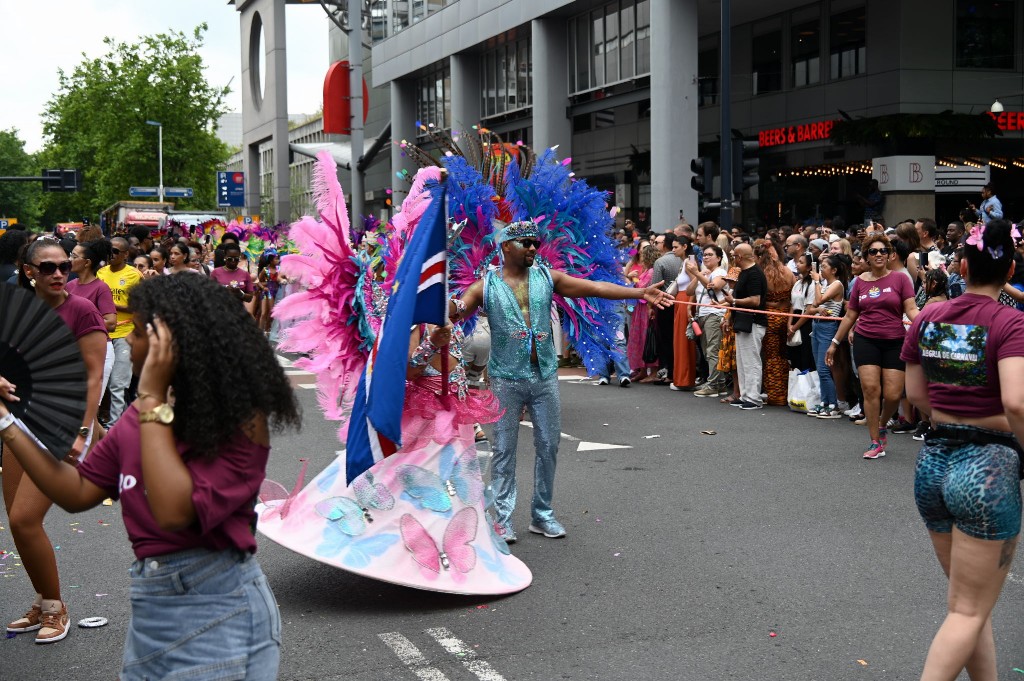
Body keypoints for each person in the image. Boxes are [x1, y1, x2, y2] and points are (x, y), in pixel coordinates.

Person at [0, 273, 297, 675]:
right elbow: (78, 490)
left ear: (172, 344)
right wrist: (7, 423)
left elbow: (173, 511)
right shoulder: (142, 415)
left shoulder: (240, 420)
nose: (129, 343)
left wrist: (153, 399)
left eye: (138, 332)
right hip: (152, 607)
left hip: (220, 611)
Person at [451, 223, 672, 541]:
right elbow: (458, 309)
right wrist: (437, 304)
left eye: (535, 243)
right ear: (505, 247)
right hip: (505, 380)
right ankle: (501, 519)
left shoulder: (547, 277)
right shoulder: (485, 286)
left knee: (548, 446)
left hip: (544, 378)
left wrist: (639, 292)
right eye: (525, 242)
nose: (532, 248)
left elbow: (594, 288)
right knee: (503, 451)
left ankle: (542, 515)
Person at [900, 218, 1022, 680]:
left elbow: (916, 397)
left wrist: (958, 415)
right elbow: (1016, 401)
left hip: (933, 465)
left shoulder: (928, 316)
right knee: (969, 610)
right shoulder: (1011, 322)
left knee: (969, 607)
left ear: (963, 266)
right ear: (1009, 271)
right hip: (987, 473)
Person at [4, 238, 107, 644]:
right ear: (28, 270)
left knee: (23, 519)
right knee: (18, 523)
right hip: (17, 424)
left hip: (60, 426)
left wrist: (81, 433)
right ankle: (45, 600)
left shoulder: (80, 310)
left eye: (64, 266)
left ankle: (55, 610)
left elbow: (92, 378)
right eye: (47, 268)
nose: (59, 274)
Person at [827, 232, 918, 459]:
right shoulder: (860, 282)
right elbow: (850, 316)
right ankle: (875, 441)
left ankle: (883, 422)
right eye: (873, 251)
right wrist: (835, 342)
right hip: (866, 340)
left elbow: (912, 309)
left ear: (889, 255)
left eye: (883, 251)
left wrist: (930, 324)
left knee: (893, 394)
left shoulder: (900, 279)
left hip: (895, 341)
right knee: (870, 390)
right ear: (867, 256)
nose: (879, 255)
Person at [96, 236, 142, 427]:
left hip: (125, 333)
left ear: (125, 254)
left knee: (118, 383)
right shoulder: (100, 273)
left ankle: (112, 427)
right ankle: (120, 423)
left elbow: (139, 306)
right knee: (103, 382)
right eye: (109, 250)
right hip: (103, 334)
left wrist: (110, 305)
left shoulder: (134, 275)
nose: (111, 255)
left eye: (116, 251)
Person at [723, 243, 768, 410]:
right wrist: (731, 315)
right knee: (742, 361)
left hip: (754, 321)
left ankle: (754, 398)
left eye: (734, 255)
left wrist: (734, 301)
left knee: (751, 361)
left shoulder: (755, 274)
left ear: (740, 257)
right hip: (742, 321)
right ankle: (745, 395)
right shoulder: (744, 272)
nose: (733, 258)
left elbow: (755, 300)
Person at [806, 254, 850, 418]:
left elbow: (818, 301)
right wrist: (818, 310)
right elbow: (811, 308)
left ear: (834, 270)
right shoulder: (825, 284)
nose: (821, 269)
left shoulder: (837, 284)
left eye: (824, 266)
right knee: (819, 368)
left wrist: (816, 281)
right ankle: (824, 403)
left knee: (824, 369)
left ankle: (833, 406)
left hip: (827, 327)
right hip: (816, 325)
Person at [754, 239, 795, 407]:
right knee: (783, 356)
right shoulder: (788, 272)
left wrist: (771, 304)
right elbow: (792, 297)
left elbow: (759, 300)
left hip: (769, 319)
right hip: (786, 318)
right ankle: (785, 392)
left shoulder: (761, 274)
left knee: (771, 357)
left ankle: (775, 394)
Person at [687, 244, 729, 397]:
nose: (706, 257)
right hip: (702, 314)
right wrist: (697, 275)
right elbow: (689, 291)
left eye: (710, 254)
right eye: (704, 255)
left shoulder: (721, 272)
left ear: (718, 258)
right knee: (707, 351)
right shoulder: (703, 273)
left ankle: (713, 385)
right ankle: (720, 384)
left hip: (715, 313)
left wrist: (697, 273)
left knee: (713, 350)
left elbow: (714, 287)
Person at [650, 233, 682, 383]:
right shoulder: (684, 260)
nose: (656, 245)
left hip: (664, 302)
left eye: (657, 242)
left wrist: (651, 306)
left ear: (664, 245)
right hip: (681, 301)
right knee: (678, 337)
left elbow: (654, 286)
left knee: (665, 338)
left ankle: (668, 370)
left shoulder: (660, 262)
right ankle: (677, 371)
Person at [628, 245, 661, 381]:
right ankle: (642, 370)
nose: (640, 257)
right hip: (640, 308)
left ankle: (653, 371)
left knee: (648, 338)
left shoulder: (652, 271)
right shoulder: (647, 270)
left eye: (642, 254)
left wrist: (633, 279)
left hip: (646, 307)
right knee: (639, 339)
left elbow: (642, 287)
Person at [669, 237, 697, 391]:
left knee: (683, 341)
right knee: (680, 341)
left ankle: (684, 380)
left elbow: (695, 282)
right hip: (682, 300)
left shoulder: (689, 263)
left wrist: (689, 305)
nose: (673, 250)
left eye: (675, 247)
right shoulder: (685, 262)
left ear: (684, 247)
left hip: (685, 300)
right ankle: (682, 378)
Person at [786, 253, 816, 374]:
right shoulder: (797, 283)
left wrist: (794, 328)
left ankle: (808, 389)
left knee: (806, 356)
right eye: (798, 262)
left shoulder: (813, 285)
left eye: (801, 262)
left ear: (809, 267)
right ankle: (797, 388)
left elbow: (809, 310)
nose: (797, 265)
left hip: (805, 323)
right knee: (794, 358)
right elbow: (792, 305)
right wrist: (789, 325)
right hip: (794, 321)